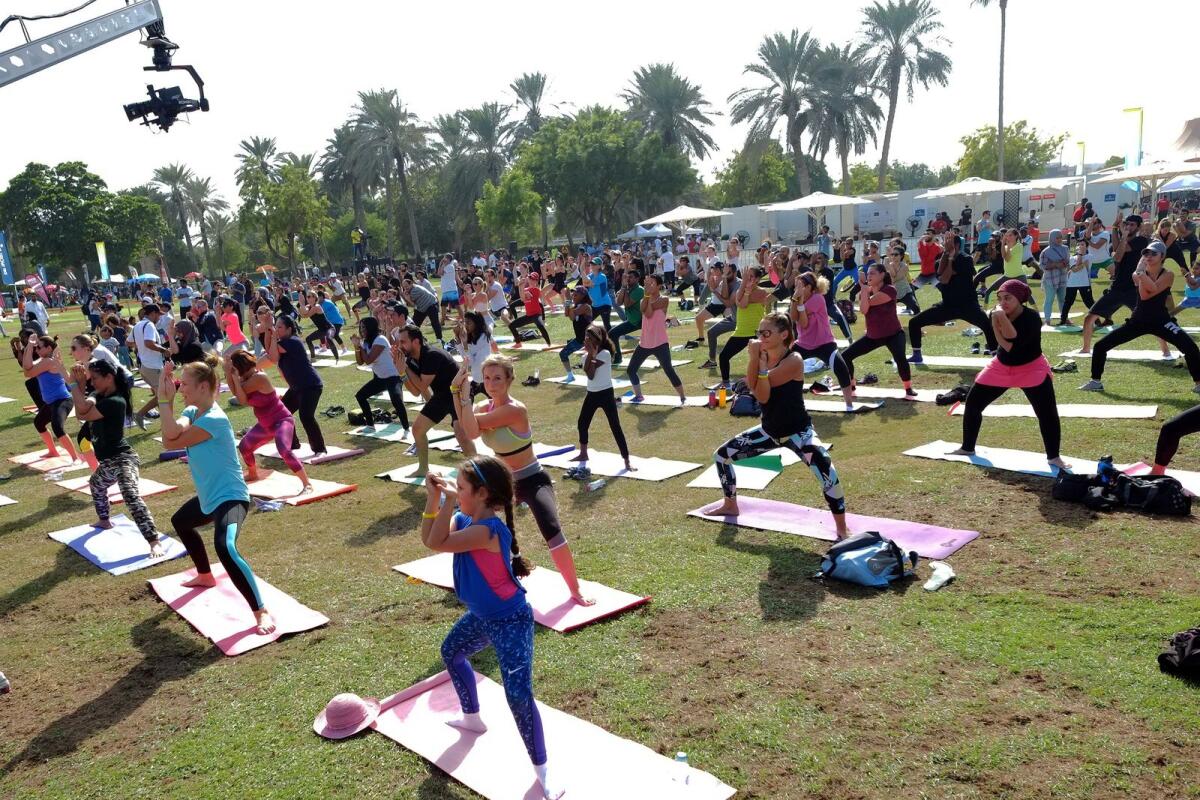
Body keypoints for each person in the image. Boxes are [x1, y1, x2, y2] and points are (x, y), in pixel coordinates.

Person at [420, 456, 563, 800]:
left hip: (511, 621)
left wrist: (447, 499)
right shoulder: (465, 517)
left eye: (462, 487)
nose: (456, 489)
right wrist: (433, 499)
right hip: (484, 616)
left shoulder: (487, 530)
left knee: (517, 695)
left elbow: (437, 542)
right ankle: (473, 718)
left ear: (482, 494)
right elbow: (430, 537)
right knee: (451, 653)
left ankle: (543, 771)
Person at [453, 354, 593, 606]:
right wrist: (457, 392)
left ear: (509, 380)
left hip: (533, 479)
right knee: (470, 518)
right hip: (504, 483)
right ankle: (481, 581)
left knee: (551, 529)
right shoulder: (484, 407)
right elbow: (468, 427)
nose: (491, 384)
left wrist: (462, 397)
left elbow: (472, 428)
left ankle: (575, 590)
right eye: (486, 378)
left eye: (497, 378)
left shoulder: (515, 410)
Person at [701, 312, 847, 536]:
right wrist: (754, 361)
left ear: (784, 335)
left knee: (828, 472)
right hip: (770, 431)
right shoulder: (761, 356)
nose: (761, 336)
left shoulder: (794, 360)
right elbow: (755, 389)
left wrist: (756, 366)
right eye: (759, 332)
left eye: (766, 332)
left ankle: (841, 529)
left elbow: (763, 393)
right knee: (721, 456)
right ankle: (730, 503)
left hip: (798, 432)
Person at [159, 356, 275, 636]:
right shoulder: (193, 411)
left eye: (184, 384)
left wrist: (164, 403)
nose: (181, 387)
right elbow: (173, 431)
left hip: (231, 498)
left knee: (226, 547)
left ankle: (261, 611)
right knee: (181, 521)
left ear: (202, 387)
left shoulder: (214, 420)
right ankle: (205, 575)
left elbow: (168, 440)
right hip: (209, 497)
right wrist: (166, 400)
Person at [948, 280, 1068, 469]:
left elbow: (1010, 343)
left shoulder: (1031, 318)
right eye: (1000, 298)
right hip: (1002, 366)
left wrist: (999, 320)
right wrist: (996, 320)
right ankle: (967, 447)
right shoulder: (997, 314)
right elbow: (998, 347)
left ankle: (1054, 457)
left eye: (1008, 298)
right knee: (973, 403)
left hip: (1031, 367)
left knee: (1047, 413)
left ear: (1020, 299)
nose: (1003, 302)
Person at [65, 359, 162, 552]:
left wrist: (77, 384)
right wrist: (82, 384)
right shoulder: (98, 395)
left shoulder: (115, 401)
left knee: (129, 493)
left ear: (109, 377)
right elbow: (83, 407)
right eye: (91, 379)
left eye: (95, 379)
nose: (93, 383)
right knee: (96, 484)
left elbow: (82, 413)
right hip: (108, 461)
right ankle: (104, 520)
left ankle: (154, 541)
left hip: (123, 459)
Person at [1079, 241, 1200, 394]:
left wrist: (1141, 274)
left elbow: (1154, 289)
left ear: (1162, 256)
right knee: (1100, 346)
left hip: (1161, 320)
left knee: (1190, 347)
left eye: (1153, 253)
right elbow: (1144, 295)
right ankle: (1095, 381)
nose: (1148, 256)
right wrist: (1140, 274)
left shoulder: (1167, 274)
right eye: (1146, 253)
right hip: (1138, 320)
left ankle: (1198, 383)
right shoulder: (1136, 274)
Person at [225, 350, 312, 491]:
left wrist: (231, 375)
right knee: (244, 447)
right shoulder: (245, 379)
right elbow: (237, 392)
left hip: (282, 420)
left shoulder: (259, 378)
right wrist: (229, 372)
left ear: (240, 368)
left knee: (284, 450)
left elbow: (240, 397)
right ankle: (253, 474)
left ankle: (306, 483)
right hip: (266, 424)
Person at [395, 323, 474, 476]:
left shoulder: (432, 355)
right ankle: (423, 469)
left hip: (459, 393)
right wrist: (402, 372)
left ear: (416, 342)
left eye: (403, 342)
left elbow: (422, 386)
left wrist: (404, 367)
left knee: (461, 434)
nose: (400, 346)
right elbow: (416, 392)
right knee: (417, 429)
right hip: (442, 396)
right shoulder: (412, 359)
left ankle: (479, 473)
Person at [908, 233, 997, 362]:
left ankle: (996, 356)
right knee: (914, 322)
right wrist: (948, 256)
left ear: (956, 245)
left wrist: (951, 260)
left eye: (948, 243)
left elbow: (947, 275)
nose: (945, 245)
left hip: (968, 305)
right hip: (948, 305)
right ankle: (917, 355)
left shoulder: (966, 259)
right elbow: (943, 279)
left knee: (988, 326)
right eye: (944, 243)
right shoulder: (941, 259)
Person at [843, 263, 917, 398]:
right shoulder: (866, 292)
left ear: (882, 275)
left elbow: (870, 303)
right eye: (868, 273)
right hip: (873, 336)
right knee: (846, 356)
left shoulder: (890, 289)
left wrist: (864, 289)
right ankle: (852, 386)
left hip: (893, 334)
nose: (869, 275)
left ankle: (908, 388)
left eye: (872, 273)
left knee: (900, 358)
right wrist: (864, 290)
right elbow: (864, 310)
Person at [571, 323, 632, 472]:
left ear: (597, 339)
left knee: (615, 426)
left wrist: (592, 355)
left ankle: (626, 460)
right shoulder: (586, 356)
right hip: (592, 394)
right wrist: (590, 355)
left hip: (606, 394)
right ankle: (583, 453)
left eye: (589, 337)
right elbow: (589, 373)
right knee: (582, 423)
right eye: (586, 337)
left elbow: (591, 374)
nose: (586, 340)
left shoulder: (605, 353)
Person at [790, 272, 855, 411]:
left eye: (800, 285)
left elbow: (803, 322)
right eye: (796, 285)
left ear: (810, 288)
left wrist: (798, 302)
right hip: (803, 343)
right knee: (782, 364)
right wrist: (795, 300)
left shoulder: (817, 298)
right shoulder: (797, 298)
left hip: (824, 343)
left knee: (841, 368)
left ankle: (849, 404)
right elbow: (793, 317)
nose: (797, 288)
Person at [267, 314, 328, 457]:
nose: (277, 330)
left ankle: (320, 449)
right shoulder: (282, 342)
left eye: (280, 327)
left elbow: (273, 355)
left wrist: (272, 334)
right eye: (276, 327)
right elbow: (272, 355)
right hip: (296, 388)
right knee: (282, 413)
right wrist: (270, 331)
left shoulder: (292, 341)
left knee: (306, 416)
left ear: (289, 329)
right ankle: (293, 444)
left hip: (310, 385)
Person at [626, 274, 687, 404]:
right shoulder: (645, 299)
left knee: (668, 370)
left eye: (652, 283)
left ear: (659, 285)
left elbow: (648, 312)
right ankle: (639, 395)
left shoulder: (664, 299)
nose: (649, 286)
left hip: (660, 343)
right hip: (644, 343)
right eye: (647, 283)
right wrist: (646, 295)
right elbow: (645, 310)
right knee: (631, 370)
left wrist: (646, 296)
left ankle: (682, 396)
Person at [22, 336, 81, 463]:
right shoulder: (42, 360)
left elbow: (28, 373)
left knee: (57, 427)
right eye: (36, 348)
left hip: (63, 400)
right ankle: (53, 451)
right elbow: (26, 367)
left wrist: (31, 348)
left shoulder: (49, 361)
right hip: (51, 402)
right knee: (39, 423)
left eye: (39, 347)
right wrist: (30, 345)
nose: (36, 350)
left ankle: (75, 457)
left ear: (49, 348)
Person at [351, 316, 410, 432]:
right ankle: (370, 425)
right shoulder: (366, 342)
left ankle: (406, 428)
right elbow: (360, 362)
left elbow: (369, 360)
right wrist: (357, 347)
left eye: (364, 328)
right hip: (381, 378)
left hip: (394, 376)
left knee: (396, 400)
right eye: (361, 328)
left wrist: (360, 346)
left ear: (371, 327)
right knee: (360, 396)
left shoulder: (380, 339)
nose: (362, 330)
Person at [716, 265, 771, 389]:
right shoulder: (740, 290)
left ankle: (765, 382)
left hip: (757, 332)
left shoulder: (762, 292)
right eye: (746, 276)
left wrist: (745, 289)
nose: (747, 279)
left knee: (762, 360)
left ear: (757, 279)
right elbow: (739, 302)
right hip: (742, 331)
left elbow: (742, 304)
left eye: (751, 276)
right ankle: (725, 383)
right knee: (724, 356)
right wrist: (745, 286)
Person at [131, 304, 169, 429]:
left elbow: (128, 342)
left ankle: (167, 420)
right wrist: (164, 350)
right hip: (153, 366)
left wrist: (140, 347)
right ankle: (140, 414)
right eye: (158, 314)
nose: (159, 317)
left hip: (144, 365)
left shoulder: (137, 325)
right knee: (163, 395)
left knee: (160, 394)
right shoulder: (150, 325)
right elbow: (149, 343)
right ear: (153, 313)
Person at [607, 269, 644, 366]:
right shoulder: (627, 288)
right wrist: (623, 288)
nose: (628, 279)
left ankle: (618, 357)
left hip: (639, 321)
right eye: (627, 277)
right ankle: (617, 357)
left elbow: (627, 304)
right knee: (612, 334)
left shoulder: (639, 290)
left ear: (637, 279)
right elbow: (618, 303)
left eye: (631, 277)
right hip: (632, 320)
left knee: (612, 333)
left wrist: (624, 289)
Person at [557, 286, 592, 383]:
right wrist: (568, 301)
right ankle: (570, 375)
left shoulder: (586, 306)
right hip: (580, 339)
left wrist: (568, 300)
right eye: (573, 293)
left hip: (589, 339)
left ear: (583, 295)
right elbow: (566, 313)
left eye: (576, 294)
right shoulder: (576, 306)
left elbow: (572, 316)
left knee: (595, 359)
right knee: (563, 354)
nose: (573, 295)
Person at [506, 272, 551, 348]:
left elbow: (529, 295)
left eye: (533, 279)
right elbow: (523, 298)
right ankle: (518, 343)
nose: (530, 280)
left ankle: (549, 344)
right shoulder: (526, 289)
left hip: (536, 314)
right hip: (529, 316)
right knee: (511, 326)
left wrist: (522, 287)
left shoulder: (536, 290)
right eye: (530, 278)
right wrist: (521, 286)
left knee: (541, 326)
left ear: (536, 281)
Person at [1038, 229, 1070, 325]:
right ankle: (1047, 320)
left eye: (1061, 237)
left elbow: (1068, 261)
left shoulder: (1065, 248)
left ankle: (1065, 318)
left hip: (1063, 277)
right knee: (1049, 299)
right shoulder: (1045, 251)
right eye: (1057, 237)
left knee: (1063, 299)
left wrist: (1063, 263)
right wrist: (1055, 264)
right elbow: (1042, 266)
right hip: (1050, 279)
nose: (1060, 239)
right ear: (1052, 238)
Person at [300, 292, 339, 362]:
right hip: (321, 330)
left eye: (309, 296)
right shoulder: (309, 306)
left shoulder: (317, 306)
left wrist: (302, 304)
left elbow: (306, 315)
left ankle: (337, 358)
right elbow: (302, 313)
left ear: (314, 297)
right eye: (307, 297)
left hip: (329, 328)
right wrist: (301, 305)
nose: (307, 298)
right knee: (308, 339)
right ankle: (313, 358)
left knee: (329, 338)